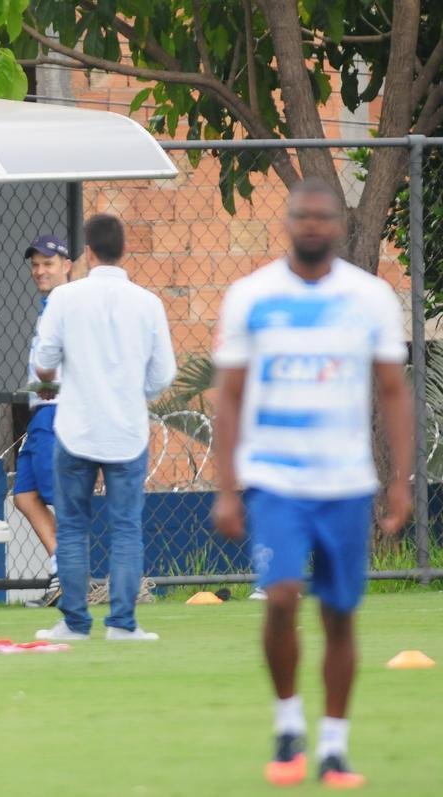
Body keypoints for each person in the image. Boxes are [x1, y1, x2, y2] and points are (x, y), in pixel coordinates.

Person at [211, 178, 412, 788]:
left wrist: (399, 483)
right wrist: (226, 487)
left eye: (324, 217)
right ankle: (288, 724)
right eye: (303, 216)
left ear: (339, 226)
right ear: (288, 221)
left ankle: (334, 746)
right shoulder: (250, 296)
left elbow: (394, 392)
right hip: (275, 478)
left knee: (341, 615)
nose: (314, 226)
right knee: (279, 598)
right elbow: (229, 397)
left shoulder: (371, 298)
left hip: (346, 482)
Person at [33, 213, 176, 643]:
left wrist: (53, 380)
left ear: (88, 253)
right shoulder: (148, 302)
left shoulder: (65, 299)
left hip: (76, 427)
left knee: (74, 526)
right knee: (126, 528)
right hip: (127, 430)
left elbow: (44, 364)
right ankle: (122, 624)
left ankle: (75, 623)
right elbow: (163, 374)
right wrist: (136, 393)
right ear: (123, 251)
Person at [12, 235, 72, 605]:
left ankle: (71, 578)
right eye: (35, 264)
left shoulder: (68, 305)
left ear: (67, 265)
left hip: (58, 409)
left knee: (60, 498)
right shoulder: (49, 305)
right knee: (24, 496)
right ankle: (61, 568)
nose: (39, 270)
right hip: (41, 411)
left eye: (48, 263)